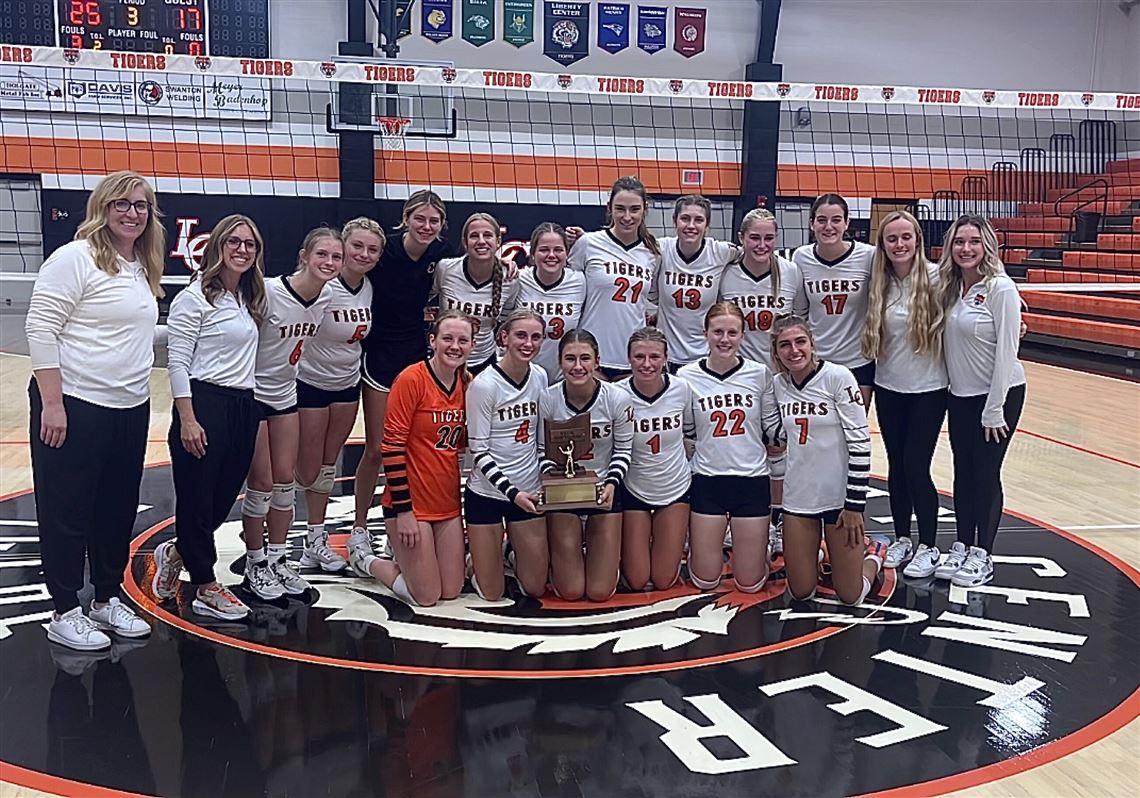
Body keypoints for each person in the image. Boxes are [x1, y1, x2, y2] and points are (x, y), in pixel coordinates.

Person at [26, 170, 163, 650]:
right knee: (67, 509)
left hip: (130, 405)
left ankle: (106, 598)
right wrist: (52, 403)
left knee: (116, 508)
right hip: (76, 403)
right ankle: (64, 608)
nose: (132, 213)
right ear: (102, 208)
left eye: (141, 205)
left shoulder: (140, 266)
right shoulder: (75, 258)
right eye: (122, 204)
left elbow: (130, 332)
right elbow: (40, 328)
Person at [152, 215, 266, 620]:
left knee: (219, 504)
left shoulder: (248, 297)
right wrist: (188, 417)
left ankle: (176, 551)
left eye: (249, 244)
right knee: (198, 502)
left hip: (243, 405)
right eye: (234, 241)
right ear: (217, 245)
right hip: (204, 402)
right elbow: (178, 362)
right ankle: (205, 585)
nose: (241, 250)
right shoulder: (194, 297)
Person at [240, 227, 341, 600]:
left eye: (336, 257)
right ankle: (255, 563)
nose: (329, 263)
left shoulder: (327, 295)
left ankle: (279, 559)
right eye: (322, 256)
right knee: (262, 484)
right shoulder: (268, 292)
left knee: (286, 482)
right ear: (304, 256)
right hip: (252, 395)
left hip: (286, 394)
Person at [347, 310, 474, 606]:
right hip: (411, 507)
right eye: (447, 339)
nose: (455, 346)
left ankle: (411, 559)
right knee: (426, 596)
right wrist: (404, 512)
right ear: (432, 341)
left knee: (452, 590)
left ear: (472, 346)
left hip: (447, 504)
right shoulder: (411, 379)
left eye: (463, 340)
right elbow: (391, 447)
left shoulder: (468, 384)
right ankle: (367, 561)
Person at [934, 215, 1026, 587]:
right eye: (959, 242)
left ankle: (983, 554)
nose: (966, 249)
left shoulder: (1001, 288)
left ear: (987, 245)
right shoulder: (951, 286)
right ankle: (963, 544)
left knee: (986, 474)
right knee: (963, 473)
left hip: (998, 397)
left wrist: (994, 407)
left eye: (973, 241)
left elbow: (1008, 351)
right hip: (960, 396)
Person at [354, 191, 450, 538]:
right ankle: (360, 526)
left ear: (441, 226)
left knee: (413, 447)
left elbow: (477, 266)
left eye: (433, 220)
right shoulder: (383, 251)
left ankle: (409, 517)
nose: (426, 226)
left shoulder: (441, 254)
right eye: (419, 218)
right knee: (378, 448)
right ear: (405, 218)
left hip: (415, 356)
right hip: (379, 356)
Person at [294, 217, 384, 574]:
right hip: (310, 383)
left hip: (347, 384)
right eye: (357, 246)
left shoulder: (369, 288)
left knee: (328, 466)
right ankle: (279, 535)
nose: (364, 254)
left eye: (372, 249)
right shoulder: (323, 287)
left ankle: (315, 540)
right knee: (306, 467)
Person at [771, 315, 881, 605]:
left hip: (840, 501)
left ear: (812, 343)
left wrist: (854, 506)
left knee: (851, 596)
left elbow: (861, 444)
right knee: (801, 592)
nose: (794, 350)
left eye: (800, 342)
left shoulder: (838, 377)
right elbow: (779, 438)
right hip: (799, 499)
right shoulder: (778, 386)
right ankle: (812, 555)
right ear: (776, 351)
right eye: (785, 345)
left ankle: (875, 557)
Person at [860, 211, 947, 578]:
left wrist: (1015, 316)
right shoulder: (878, 280)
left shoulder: (938, 277)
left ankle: (929, 543)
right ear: (883, 244)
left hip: (929, 389)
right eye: (892, 238)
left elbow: (982, 289)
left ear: (917, 240)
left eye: (905, 237)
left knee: (915, 464)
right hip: (889, 386)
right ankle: (902, 538)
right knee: (896, 465)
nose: (899, 244)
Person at [678, 303, 782, 594]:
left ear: (743, 336)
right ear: (705, 333)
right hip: (707, 480)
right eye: (718, 332)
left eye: (732, 333)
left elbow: (771, 428)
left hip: (751, 481)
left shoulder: (760, 374)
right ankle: (715, 540)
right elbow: (688, 432)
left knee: (750, 584)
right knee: (705, 581)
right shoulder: (687, 376)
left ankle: (762, 541)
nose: (725, 339)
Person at [718, 208, 802, 554]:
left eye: (769, 237)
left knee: (779, 451)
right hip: (739, 379)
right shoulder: (726, 274)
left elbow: (799, 322)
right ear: (741, 239)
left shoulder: (791, 273)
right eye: (755, 237)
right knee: (740, 450)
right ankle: (737, 521)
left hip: (779, 379)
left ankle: (777, 524)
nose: (762, 244)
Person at [540, 330, 634, 601]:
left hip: (604, 490)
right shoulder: (548, 398)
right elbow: (541, 451)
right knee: (570, 591)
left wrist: (612, 483)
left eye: (585, 358)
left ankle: (601, 560)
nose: (578, 366)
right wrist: (554, 481)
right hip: (564, 493)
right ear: (559, 362)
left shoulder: (616, 398)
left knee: (599, 591)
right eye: (570, 359)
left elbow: (624, 449)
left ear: (597, 361)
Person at [464, 309, 548, 600]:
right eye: (521, 336)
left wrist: (545, 475)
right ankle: (475, 560)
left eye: (536, 337)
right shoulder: (484, 385)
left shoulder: (540, 377)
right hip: (488, 494)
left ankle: (512, 550)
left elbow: (540, 437)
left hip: (528, 492)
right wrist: (512, 493)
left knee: (535, 587)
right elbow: (478, 451)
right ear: (504, 338)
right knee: (492, 592)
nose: (528, 343)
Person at [618, 328, 693, 592]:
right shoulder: (617, 395)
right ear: (628, 359)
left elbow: (692, 432)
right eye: (639, 356)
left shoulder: (682, 389)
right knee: (638, 580)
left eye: (654, 357)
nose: (647, 364)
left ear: (665, 358)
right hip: (633, 487)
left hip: (674, 487)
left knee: (662, 580)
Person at [566, 176, 661, 380]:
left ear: (645, 209)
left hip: (632, 358)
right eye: (620, 209)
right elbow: (567, 289)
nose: (627, 216)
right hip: (590, 356)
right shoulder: (588, 243)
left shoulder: (652, 253)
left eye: (634, 209)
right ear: (609, 208)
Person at [793, 193, 876, 406]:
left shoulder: (868, 256)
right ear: (811, 224)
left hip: (858, 362)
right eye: (822, 220)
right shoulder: (801, 257)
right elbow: (800, 313)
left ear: (846, 223)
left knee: (853, 431)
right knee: (818, 432)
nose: (828, 226)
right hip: (816, 362)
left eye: (836, 220)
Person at [654, 195, 738, 370]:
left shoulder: (720, 251)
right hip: (666, 357)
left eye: (698, 220)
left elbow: (754, 253)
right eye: (685, 219)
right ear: (674, 221)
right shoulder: (661, 249)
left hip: (705, 356)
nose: (691, 226)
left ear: (707, 226)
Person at [433, 213, 520, 375]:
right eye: (474, 236)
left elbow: (506, 316)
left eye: (487, 235)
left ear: (498, 241)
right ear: (465, 243)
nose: (481, 241)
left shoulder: (510, 278)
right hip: (445, 358)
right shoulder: (445, 269)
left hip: (483, 361)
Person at [515, 223, 586, 385]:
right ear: (532, 254)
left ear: (567, 254)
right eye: (544, 250)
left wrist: (585, 239)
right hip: (523, 377)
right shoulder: (519, 279)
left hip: (563, 379)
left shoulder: (580, 281)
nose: (551, 255)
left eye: (558, 250)